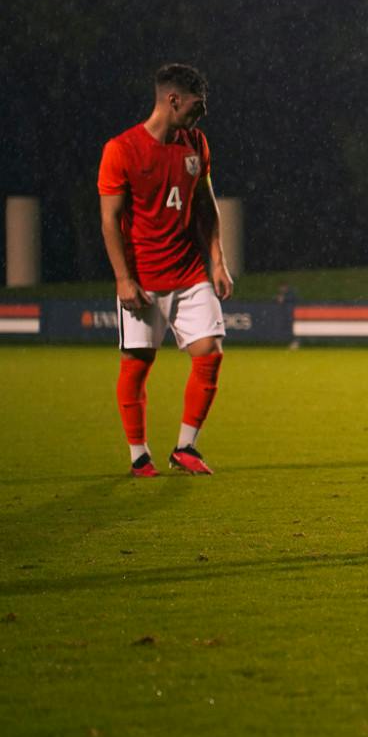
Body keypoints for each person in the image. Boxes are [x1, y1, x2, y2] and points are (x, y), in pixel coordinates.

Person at [98, 63, 234, 477]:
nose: (203, 112)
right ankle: (139, 454)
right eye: (198, 104)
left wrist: (218, 260)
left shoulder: (197, 144)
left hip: (190, 271)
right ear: (172, 100)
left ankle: (185, 448)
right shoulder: (121, 150)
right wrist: (123, 278)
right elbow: (110, 220)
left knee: (209, 353)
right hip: (143, 277)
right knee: (137, 364)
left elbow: (206, 205)